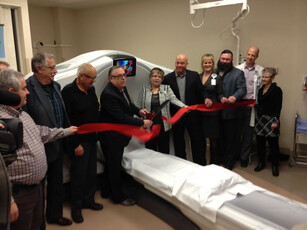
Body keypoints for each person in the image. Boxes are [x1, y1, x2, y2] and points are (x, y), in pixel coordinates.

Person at [0, 69, 77, 230]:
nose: (28, 92)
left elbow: (41, 132)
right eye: (24, 88)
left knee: (37, 225)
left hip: (36, 187)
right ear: (11, 93)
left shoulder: (22, 114)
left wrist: (66, 131)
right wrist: (9, 200)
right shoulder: (2, 122)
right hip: (18, 193)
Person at [23, 52, 73, 226]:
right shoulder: (28, 89)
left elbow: (63, 116)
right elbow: (27, 123)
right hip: (37, 148)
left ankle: (54, 215)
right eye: (52, 67)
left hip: (57, 145)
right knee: (38, 189)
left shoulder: (56, 86)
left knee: (56, 183)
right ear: (39, 68)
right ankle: (37, 222)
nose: (55, 70)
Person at [99, 66, 152, 206]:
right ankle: (118, 197)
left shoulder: (122, 88)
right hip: (111, 137)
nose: (123, 78)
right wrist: (142, 122)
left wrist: (139, 111)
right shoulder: (108, 94)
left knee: (111, 164)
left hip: (117, 136)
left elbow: (128, 105)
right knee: (114, 167)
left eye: (124, 75)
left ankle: (106, 190)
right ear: (111, 79)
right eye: (119, 76)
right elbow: (121, 117)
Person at [61, 63, 102, 223]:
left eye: (95, 77)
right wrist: (75, 144)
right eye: (91, 78)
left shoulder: (90, 89)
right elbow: (67, 121)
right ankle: (76, 207)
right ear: (81, 77)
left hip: (92, 139)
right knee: (78, 175)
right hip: (78, 141)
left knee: (91, 172)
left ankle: (89, 200)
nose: (94, 81)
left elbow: (94, 111)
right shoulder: (68, 92)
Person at [162, 54, 206, 165]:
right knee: (179, 143)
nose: (179, 65)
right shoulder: (168, 78)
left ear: (187, 64)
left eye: (182, 63)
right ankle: (181, 165)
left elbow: (201, 92)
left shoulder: (194, 75)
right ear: (175, 63)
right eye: (178, 62)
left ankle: (200, 165)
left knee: (197, 142)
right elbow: (166, 98)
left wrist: (206, 99)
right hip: (177, 116)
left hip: (193, 116)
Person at [137, 67, 187, 154]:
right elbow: (139, 106)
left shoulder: (167, 89)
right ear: (150, 78)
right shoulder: (144, 89)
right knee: (150, 149)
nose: (156, 78)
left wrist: (184, 106)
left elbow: (174, 100)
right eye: (154, 76)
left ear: (162, 79)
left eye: (159, 77)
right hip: (149, 125)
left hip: (164, 125)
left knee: (164, 149)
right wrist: (139, 123)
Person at [216, 50, 246, 170]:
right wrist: (219, 97)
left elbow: (242, 89)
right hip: (217, 114)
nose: (225, 61)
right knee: (219, 138)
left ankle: (229, 162)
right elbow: (212, 88)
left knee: (231, 139)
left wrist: (234, 97)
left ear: (231, 60)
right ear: (220, 58)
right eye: (223, 58)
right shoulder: (214, 72)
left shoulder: (238, 73)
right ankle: (219, 159)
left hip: (232, 114)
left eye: (227, 59)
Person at [236, 46, 264, 167]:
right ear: (246, 55)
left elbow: (262, 89)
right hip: (238, 104)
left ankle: (244, 157)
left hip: (251, 105)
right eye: (249, 54)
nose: (250, 57)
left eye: (253, 55)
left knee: (248, 132)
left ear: (256, 57)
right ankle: (235, 154)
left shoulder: (261, 71)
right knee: (236, 131)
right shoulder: (237, 69)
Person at [254, 67, 282, 177]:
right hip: (260, 120)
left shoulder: (277, 90)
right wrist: (254, 105)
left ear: (272, 78)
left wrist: (275, 122)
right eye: (263, 77)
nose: (264, 79)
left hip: (271, 120)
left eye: (267, 77)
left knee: (273, 144)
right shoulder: (261, 89)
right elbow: (261, 105)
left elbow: (278, 107)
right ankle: (261, 162)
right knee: (260, 143)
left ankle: (275, 165)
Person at [199, 54, 225, 164]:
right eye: (205, 62)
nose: (207, 64)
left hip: (213, 113)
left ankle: (214, 162)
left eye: (209, 62)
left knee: (213, 139)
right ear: (202, 64)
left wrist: (222, 98)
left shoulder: (216, 77)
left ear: (212, 64)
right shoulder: (198, 76)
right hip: (201, 112)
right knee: (201, 138)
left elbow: (220, 93)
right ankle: (202, 161)